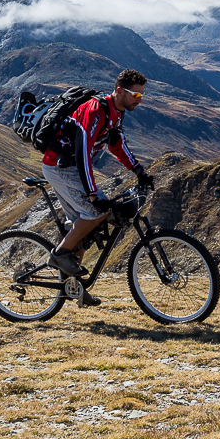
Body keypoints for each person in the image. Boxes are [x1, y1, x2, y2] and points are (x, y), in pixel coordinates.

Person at [40, 68, 152, 305]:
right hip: (60, 167)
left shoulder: (115, 112)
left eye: (142, 96)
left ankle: (75, 288)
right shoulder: (94, 110)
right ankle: (59, 255)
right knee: (96, 212)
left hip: (72, 168)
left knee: (87, 227)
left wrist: (139, 171)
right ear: (120, 91)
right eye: (136, 95)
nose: (139, 101)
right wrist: (92, 194)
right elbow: (82, 152)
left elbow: (117, 143)